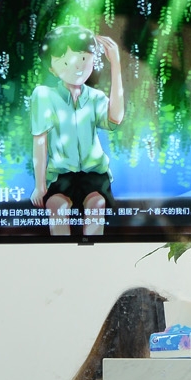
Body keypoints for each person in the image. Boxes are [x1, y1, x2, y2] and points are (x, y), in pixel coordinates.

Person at [29, 21, 128, 237]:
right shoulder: (44, 96)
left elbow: (116, 118)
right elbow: (40, 140)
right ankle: (61, 255)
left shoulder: (95, 97)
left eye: (83, 59)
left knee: (96, 205)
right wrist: (39, 185)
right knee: (57, 206)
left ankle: (94, 254)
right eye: (65, 61)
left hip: (94, 174)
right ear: (51, 68)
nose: (77, 67)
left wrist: (115, 63)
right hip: (61, 175)